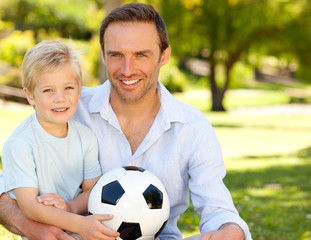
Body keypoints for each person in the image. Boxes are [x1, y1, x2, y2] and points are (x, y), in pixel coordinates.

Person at [0, 3, 252, 240]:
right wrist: (37, 229)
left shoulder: (192, 127)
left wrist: (230, 233)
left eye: (141, 54)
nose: (127, 69)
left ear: (164, 56)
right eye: (117, 55)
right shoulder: (66, 108)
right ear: (103, 55)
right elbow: (5, 194)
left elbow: (218, 210)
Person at [1, 40, 119, 240]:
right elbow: (29, 207)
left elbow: (92, 190)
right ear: (30, 95)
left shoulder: (85, 137)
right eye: (48, 90)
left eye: (68, 88)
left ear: (80, 89)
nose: (60, 98)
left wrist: (71, 207)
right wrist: (80, 224)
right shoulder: (20, 144)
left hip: (84, 232)